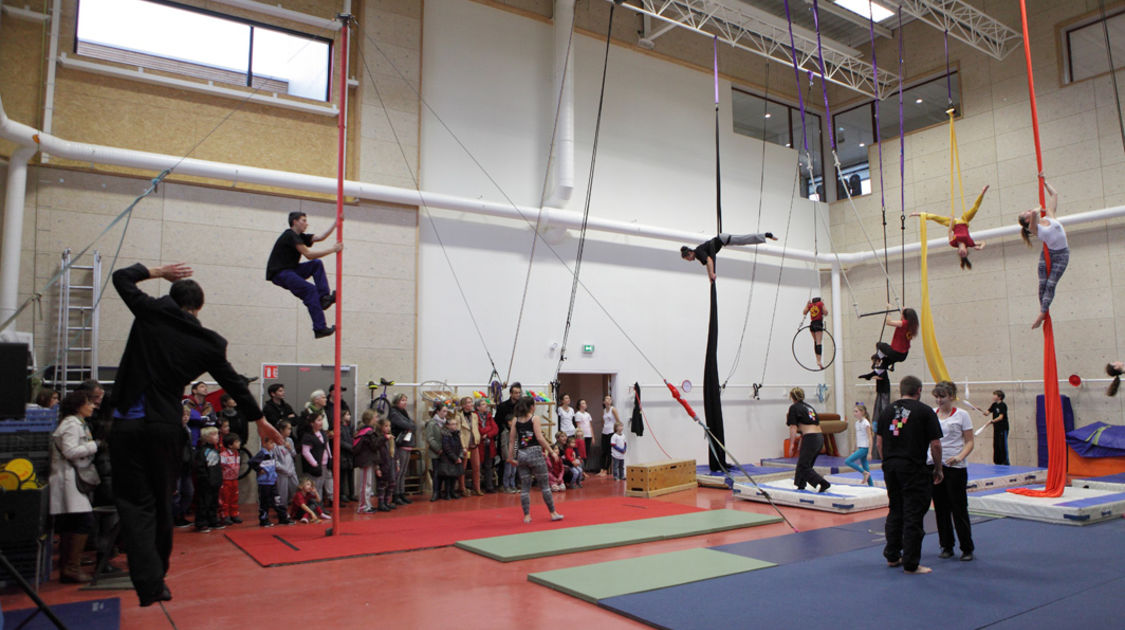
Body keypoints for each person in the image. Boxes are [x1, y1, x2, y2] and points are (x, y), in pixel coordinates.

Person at [107, 261, 281, 607]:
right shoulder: (208, 343)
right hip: (164, 428)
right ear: (199, 308)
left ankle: (149, 582)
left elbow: (121, 277)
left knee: (134, 504)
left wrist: (158, 272)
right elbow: (233, 382)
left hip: (126, 423)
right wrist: (259, 419)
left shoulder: (148, 312)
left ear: (171, 295)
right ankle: (158, 578)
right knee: (161, 503)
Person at [876, 375, 944, 575]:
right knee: (913, 514)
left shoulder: (887, 410)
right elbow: (936, 444)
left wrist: (886, 461)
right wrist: (938, 468)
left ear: (901, 390)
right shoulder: (924, 411)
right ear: (919, 390)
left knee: (895, 509)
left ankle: (892, 555)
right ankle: (911, 563)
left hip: (891, 467)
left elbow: (879, 441)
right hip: (912, 467)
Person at [265, 211, 341, 338]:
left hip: (291, 269)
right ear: (295, 222)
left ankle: (324, 298)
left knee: (316, 264)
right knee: (310, 290)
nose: (306, 223)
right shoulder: (290, 235)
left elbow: (320, 237)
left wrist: (336, 223)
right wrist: (333, 250)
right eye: (303, 220)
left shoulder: (300, 236)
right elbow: (308, 255)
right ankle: (320, 328)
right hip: (281, 273)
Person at [50, 390, 99, 583]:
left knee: (74, 522)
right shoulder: (71, 424)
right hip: (68, 479)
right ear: (79, 405)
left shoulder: (77, 423)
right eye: (89, 403)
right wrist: (95, 445)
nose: (93, 406)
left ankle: (70, 563)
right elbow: (70, 451)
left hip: (71, 478)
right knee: (82, 521)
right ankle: (71, 567)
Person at [928, 381, 975, 562]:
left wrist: (959, 456)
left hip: (955, 467)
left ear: (952, 397)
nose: (939, 400)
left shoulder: (962, 415)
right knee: (940, 508)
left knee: (959, 508)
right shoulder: (932, 414)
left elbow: (969, 441)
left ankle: (966, 547)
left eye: (943, 397)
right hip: (935, 465)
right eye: (937, 397)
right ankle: (946, 545)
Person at [1017, 176, 1066, 329]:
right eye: (1026, 214)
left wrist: (1044, 183)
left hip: (1062, 255)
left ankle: (1042, 312)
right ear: (1027, 222)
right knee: (1042, 284)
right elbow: (1034, 215)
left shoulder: (1050, 217)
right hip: (1047, 254)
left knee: (1051, 284)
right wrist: (1036, 209)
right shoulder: (1034, 229)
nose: (1028, 212)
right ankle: (1042, 310)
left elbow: (1054, 195)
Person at [507, 397, 564, 523]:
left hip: (522, 454)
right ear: (531, 406)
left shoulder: (516, 420)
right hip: (535, 454)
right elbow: (539, 438)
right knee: (544, 486)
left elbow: (512, 440)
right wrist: (550, 451)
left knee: (525, 487)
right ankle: (553, 512)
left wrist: (510, 457)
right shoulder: (534, 418)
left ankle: (527, 515)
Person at [911, 184, 989, 270]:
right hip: (964, 220)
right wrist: (981, 247)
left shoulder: (953, 243)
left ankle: (919, 214)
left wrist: (952, 220)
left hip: (954, 224)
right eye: (964, 253)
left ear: (958, 252)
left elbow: (949, 232)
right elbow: (983, 242)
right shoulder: (970, 243)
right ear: (967, 251)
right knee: (975, 208)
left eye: (960, 254)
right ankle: (983, 192)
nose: (962, 252)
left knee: (936, 218)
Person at [680, 232, 779, 282]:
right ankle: (764, 235)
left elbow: (709, 261)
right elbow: (707, 263)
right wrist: (710, 275)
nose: (689, 261)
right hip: (722, 239)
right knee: (743, 240)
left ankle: (766, 235)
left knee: (743, 240)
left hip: (722, 239)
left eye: (687, 259)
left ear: (690, 253)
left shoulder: (698, 252)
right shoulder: (698, 254)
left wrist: (711, 274)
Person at [787, 388, 830, 493]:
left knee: (803, 465)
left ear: (792, 397)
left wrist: (792, 444)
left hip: (811, 437)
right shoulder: (809, 407)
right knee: (806, 464)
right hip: (819, 437)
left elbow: (793, 427)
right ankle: (800, 484)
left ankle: (822, 483)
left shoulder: (794, 407)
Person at [859, 308, 919, 381]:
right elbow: (901, 321)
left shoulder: (903, 324)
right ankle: (870, 375)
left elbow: (888, 322)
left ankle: (879, 358)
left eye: (902, 315)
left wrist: (889, 310)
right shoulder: (912, 325)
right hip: (903, 355)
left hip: (895, 353)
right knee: (885, 364)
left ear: (905, 316)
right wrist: (903, 311)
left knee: (879, 344)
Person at [249, 436, 290, 527]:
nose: (273, 445)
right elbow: (251, 462)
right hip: (264, 483)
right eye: (271, 443)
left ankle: (283, 517)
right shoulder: (262, 454)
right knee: (264, 502)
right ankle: (264, 520)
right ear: (264, 444)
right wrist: (259, 469)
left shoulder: (271, 454)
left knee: (277, 500)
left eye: (273, 443)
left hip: (272, 481)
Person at [193, 427, 223, 534]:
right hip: (206, 482)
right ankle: (201, 522)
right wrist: (205, 479)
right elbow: (200, 468)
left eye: (217, 434)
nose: (217, 437)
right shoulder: (202, 451)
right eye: (214, 435)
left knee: (214, 502)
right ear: (206, 437)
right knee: (204, 502)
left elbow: (217, 466)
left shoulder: (215, 450)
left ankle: (212, 519)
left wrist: (219, 479)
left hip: (215, 481)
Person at [387, 393, 415, 506]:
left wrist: (410, 425)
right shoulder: (394, 413)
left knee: (403, 471)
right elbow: (405, 424)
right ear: (397, 401)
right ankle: (396, 494)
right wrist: (410, 425)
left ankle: (402, 492)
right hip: (399, 444)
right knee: (398, 471)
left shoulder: (404, 412)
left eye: (406, 400)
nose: (405, 402)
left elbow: (412, 424)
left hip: (407, 443)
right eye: (403, 400)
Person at [300, 413, 333, 504]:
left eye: (321, 420)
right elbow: (305, 452)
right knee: (314, 487)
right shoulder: (308, 436)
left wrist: (330, 457)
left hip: (324, 464)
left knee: (320, 486)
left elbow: (327, 446)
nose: (321, 422)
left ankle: (319, 505)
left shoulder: (322, 433)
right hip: (315, 466)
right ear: (312, 423)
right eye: (318, 420)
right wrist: (314, 463)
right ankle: (313, 505)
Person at [173, 403, 195, 528]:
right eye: (183, 415)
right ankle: (174, 516)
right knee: (176, 492)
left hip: (186, 466)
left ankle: (181, 514)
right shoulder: (175, 430)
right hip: (176, 466)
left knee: (188, 492)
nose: (186, 417)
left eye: (187, 415)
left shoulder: (188, 429)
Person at [354, 410, 379, 513]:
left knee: (368, 483)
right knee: (365, 484)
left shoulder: (366, 431)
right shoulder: (368, 432)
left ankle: (367, 504)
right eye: (375, 417)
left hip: (368, 459)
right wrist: (383, 439)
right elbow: (374, 446)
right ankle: (363, 506)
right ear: (371, 419)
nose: (377, 419)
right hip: (365, 460)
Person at [425, 402, 450, 501]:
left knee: (445, 472)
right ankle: (435, 492)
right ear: (438, 411)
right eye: (443, 411)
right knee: (436, 473)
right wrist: (438, 449)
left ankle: (445, 492)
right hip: (436, 452)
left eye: (446, 411)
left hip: (446, 452)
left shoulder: (446, 423)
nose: (445, 413)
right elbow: (430, 438)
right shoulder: (431, 423)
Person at [845, 402, 874, 486]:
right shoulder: (857, 423)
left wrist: (869, 452)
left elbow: (870, 438)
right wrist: (853, 449)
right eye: (854, 411)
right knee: (866, 467)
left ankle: (864, 473)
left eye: (856, 411)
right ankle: (871, 486)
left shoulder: (866, 423)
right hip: (860, 447)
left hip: (865, 448)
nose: (854, 413)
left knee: (848, 461)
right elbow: (856, 437)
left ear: (862, 412)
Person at [458, 397, 482, 496]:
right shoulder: (458, 416)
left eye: (471, 402)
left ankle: (477, 488)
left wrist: (478, 438)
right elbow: (459, 432)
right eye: (468, 403)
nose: (471, 404)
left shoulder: (474, 416)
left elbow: (476, 428)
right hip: (465, 446)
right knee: (462, 468)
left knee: (476, 467)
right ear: (463, 405)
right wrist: (463, 446)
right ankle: (462, 488)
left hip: (474, 445)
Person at [437, 415, 464, 500]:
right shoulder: (445, 435)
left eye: (455, 424)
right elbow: (446, 448)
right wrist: (455, 458)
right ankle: (447, 493)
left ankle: (453, 492)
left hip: (456, 457)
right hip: (447, 458)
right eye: (452, 424)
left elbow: (460, 446)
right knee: (448, 476)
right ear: (447, 425)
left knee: (455, 476)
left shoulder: (457, 434)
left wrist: (459, 456)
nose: (454, 426)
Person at [273, 420, 299, 507]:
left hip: (291, 470)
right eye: (288, 429)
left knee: (296, 489)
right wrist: (284, 469)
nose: (290, 431)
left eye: (290, 429)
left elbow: (294, 454)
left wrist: (290, 448)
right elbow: (274, 461)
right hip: (282, 472)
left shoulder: (289, 440)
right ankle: (282, 511)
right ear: (281, 430)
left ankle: (298, 508)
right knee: (282, 493)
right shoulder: (274, 443)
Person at [217, 433, 242, 525]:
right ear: (230, 445)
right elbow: (221, 467)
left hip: (234, 479)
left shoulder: (237, 454)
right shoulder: (223, 455)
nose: (239, 443)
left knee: (234, 497)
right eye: (236, 442)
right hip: (226, 480)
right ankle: (225, 515)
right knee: (225, 498)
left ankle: (234, 514)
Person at [372, 417, 396, 512]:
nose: (388, 428)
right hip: (382, 464)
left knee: (392, 482)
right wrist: (377, 467)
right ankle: (381, 503)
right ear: (380, 427)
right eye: (386, 426)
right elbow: (376, 452)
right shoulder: (379, 438)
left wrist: (396, 463)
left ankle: (387, 501)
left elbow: (394, 452)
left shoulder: (390, 438)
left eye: (389, 426)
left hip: (390, 463)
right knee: (382, 484)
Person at [476, 399, 498, 493]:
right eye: (483, 404)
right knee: (478, 466)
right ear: (478, 407)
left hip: (489, 445)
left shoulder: (489, 416)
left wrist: (488, 434)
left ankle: (489, 486)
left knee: (489, 466)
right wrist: (488, 429)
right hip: (479, 445)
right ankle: (477, 487)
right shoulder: (475, 416)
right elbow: (478, 430)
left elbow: (495, 429)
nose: (486, 406)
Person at [983, 390, 1009, 465]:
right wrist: (977, 409)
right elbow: (986, 413)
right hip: (996, 428)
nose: (993, 396)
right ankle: (997, 462)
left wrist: (992, 421)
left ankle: (1005, 462)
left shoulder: (1002, 405)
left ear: (999, 397)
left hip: (1003, 428)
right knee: (996, 444)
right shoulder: (994, 405)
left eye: (995, 395)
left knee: (1002, 445)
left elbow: (1001, 417)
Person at [802, 297, 828, 369]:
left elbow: (804, 312)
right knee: (819, 343)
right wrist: (823, 304)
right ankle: (819, 361)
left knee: (816, 342)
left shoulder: (811, 305)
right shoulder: (820, 304)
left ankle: (817, 360)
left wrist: (807, 305)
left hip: (812, 325)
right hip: (818, 324)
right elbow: (826, 312)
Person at [600, 395, 621, 476]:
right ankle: (601, 469)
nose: (608, 400)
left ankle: (606, 469)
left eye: (609, 399)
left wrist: (617, 432)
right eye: (606, 399)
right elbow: (603, 421)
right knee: (603, 451)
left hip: (611, 432)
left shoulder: (613, 409)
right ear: (604, 402)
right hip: (604, 432)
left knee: (609, 452)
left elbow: (618, 421)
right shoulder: (604, 410)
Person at [574, 400, 594, 472]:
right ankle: (580, 469)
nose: (585, 404)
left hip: (588, 435)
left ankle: (584, 469)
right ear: (579, 405)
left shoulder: (588, 414)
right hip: (582, 436)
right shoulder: (578, 414)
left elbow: (590, 426)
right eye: (583, 403)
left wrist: (593, 436)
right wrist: (579, 435)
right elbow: (578, 425)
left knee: (586, 453)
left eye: (585, 403)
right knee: (581, 452)